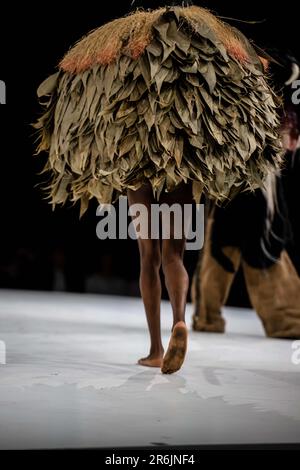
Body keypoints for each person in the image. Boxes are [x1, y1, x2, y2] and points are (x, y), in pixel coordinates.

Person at [34, 1, 282, 373]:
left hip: (138, 165)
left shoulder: (125, 51)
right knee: (175, 256)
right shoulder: (191, 69)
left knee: (147, 257)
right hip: (180, 161)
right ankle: (180, 319)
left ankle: (154, 348)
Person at [192, 53, 300, 339]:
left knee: (260, 244)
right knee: (226, 245)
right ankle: (208, 315)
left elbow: (290, 73)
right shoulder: (235, 83)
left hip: (259, 176)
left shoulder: (273, 86)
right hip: (236, 174)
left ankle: (286, 319)